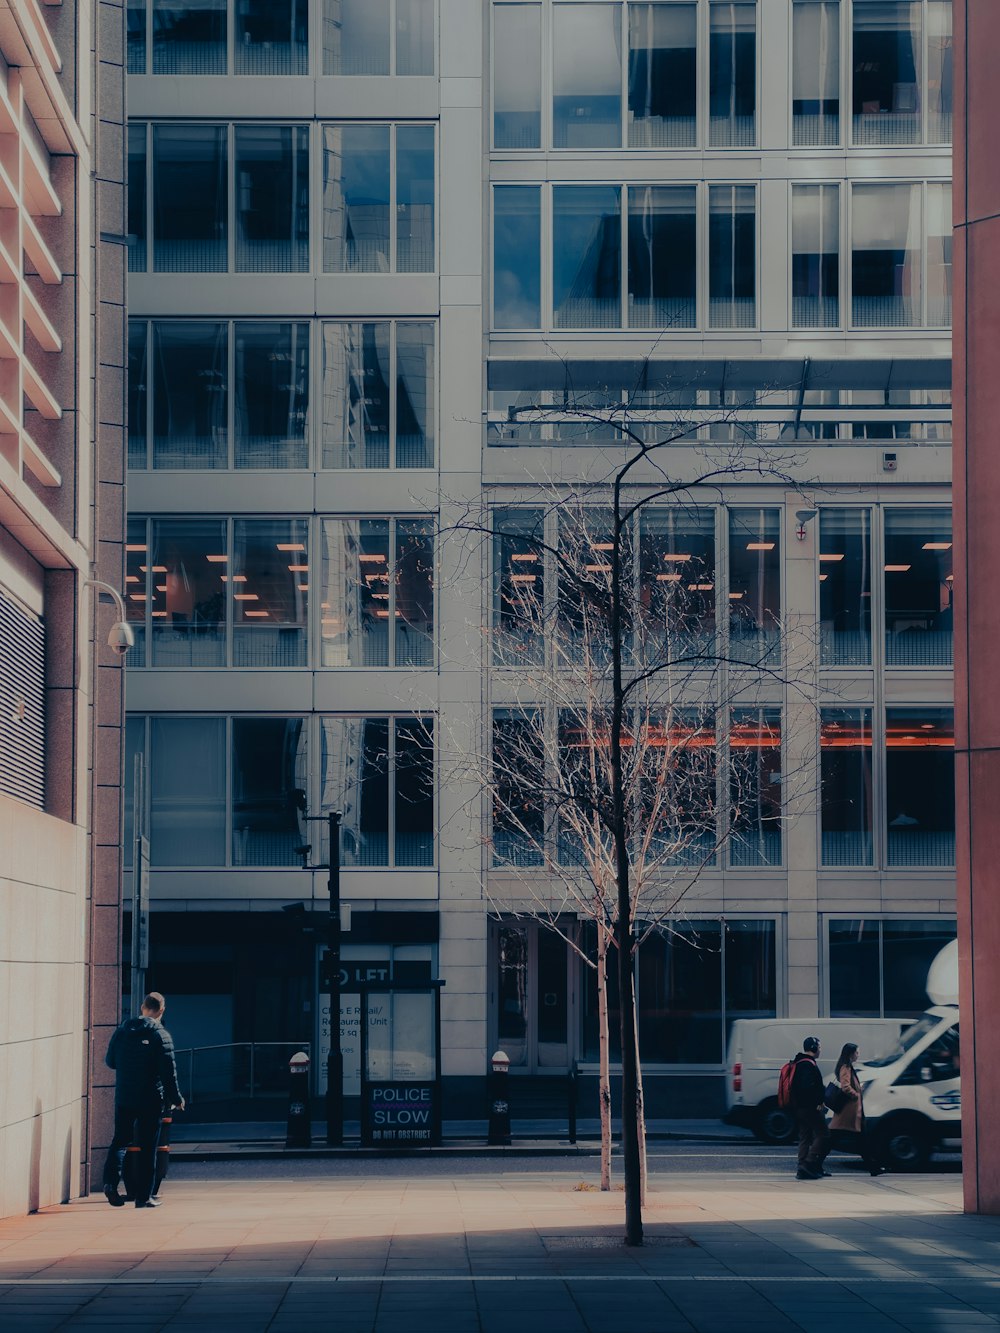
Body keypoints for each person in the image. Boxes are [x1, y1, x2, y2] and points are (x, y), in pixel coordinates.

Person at [103, 991, 184, 1209]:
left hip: (125, 1096)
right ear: (162, 1010)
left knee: (120, 1140)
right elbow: (169, 1073)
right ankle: (143, 1197)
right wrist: (176, 1099)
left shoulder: (121, 1032)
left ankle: (110, 1183)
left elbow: (110, 1062)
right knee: (149, 1147)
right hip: (150, 1099)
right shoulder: (161, 1035)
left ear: (142, 1007)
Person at [829, 1042, 884, 1176]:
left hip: (853, 1111)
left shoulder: (848, 1067)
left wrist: (859, 1088)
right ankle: (813, 1163)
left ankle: (874, 1168)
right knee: (832, 1140)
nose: (858, 1055)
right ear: (851, 1054)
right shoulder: (845, 1067)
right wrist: (856, 1094)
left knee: (862, 1141)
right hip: (849, 1112)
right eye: (857, 1052)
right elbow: (845, 1087)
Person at [791, 1035, 830, 1180]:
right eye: (819, 1047)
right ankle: (808, 1164)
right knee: (823, 1134)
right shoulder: (807, 1064)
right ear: (814, 1048)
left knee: (805, 1136)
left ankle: (802, 1168)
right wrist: (819, 1102)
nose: (820, 1050)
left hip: (800, 1107)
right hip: (809, 1108)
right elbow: (807, 1088)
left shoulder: (799, 1062)